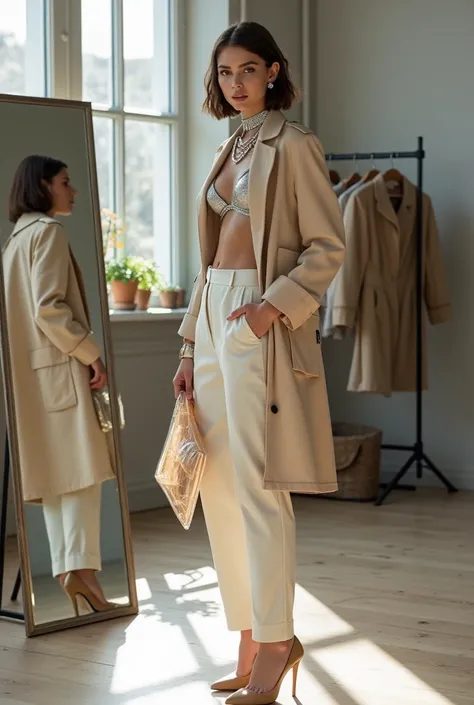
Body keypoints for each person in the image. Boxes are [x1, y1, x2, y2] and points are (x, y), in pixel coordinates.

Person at [173, 21, 345, 705]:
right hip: (215, 310)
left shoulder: (293, 144)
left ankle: (278, 639)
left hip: (254, 315)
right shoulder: (228, 148)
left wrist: (271, 310)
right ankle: (248, 633)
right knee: (217, 488)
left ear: (273, 72)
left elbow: (326, 246)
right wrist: (189, 344)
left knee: (258, 489)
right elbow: (209, 261)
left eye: (248, 70)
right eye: (224, 73)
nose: (235, 83)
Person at [3, 155, 117, 616]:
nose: (73, 191)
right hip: (59, 367)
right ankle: (80, 572)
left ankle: (73, 571)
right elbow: (50, 309)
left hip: (31, 377)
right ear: (43, 186)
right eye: (66, 183)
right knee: (83, 473)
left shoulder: (14, 242)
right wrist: (91, 354)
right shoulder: (47, 234)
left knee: (57, 479)